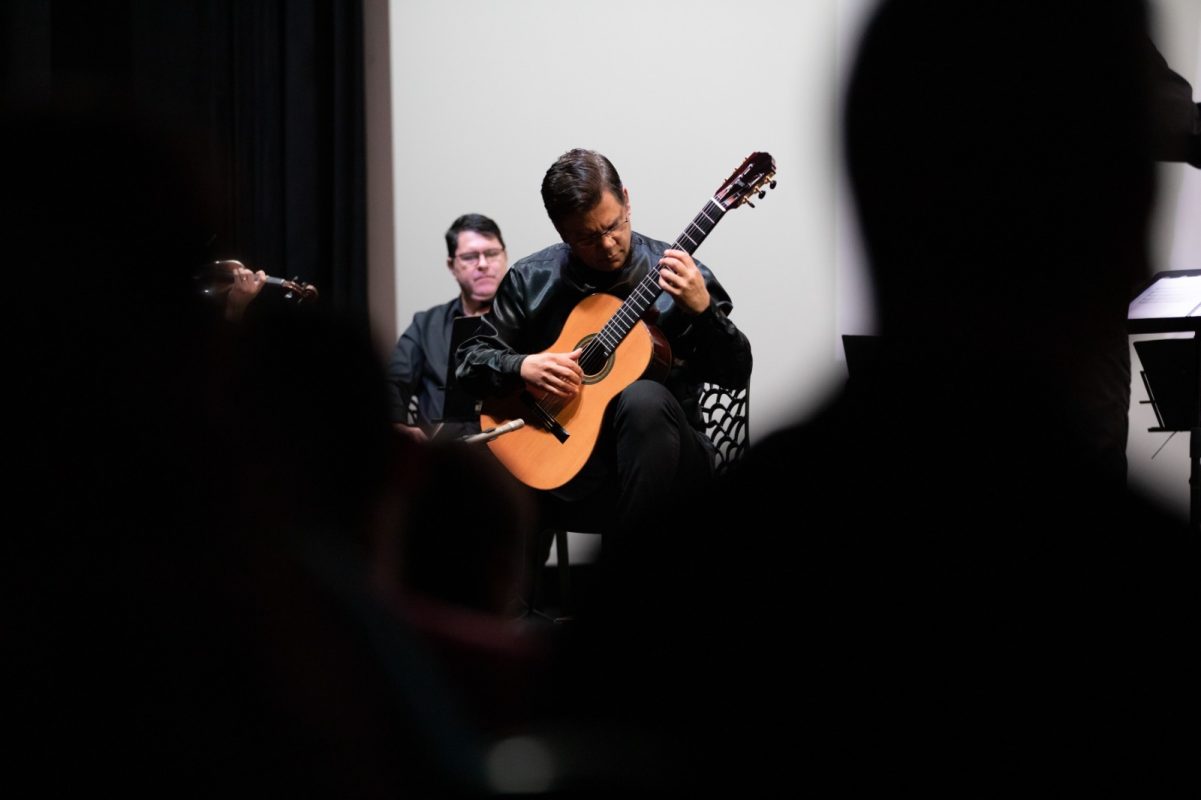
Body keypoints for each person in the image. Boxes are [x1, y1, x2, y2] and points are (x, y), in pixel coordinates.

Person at [455, 148, 752, 544]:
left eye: (613, 225)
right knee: (466, 470)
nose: (608, 244)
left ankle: (624, 587)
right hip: (572, 463)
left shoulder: (682, 278)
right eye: (588, 237)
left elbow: (735, 373)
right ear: (562, 232)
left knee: (643, 398)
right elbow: (469, 363)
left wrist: (703, 311)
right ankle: (505, 603)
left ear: (626, 200)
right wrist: (522, 366)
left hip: (669, 459)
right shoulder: (531, 280)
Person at [387, 213, 508, 441]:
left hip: (513, 450)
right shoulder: (425, 325)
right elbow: (393, 381)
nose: (483, 264)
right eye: (470, 257)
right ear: (452, 266)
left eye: (491, 254)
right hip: (444, 456)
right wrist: (397, 423)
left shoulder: (528, 318)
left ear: (505, 256)